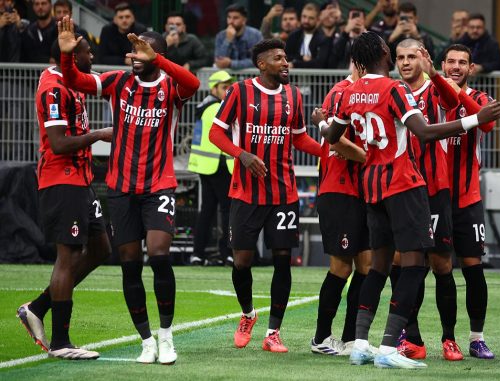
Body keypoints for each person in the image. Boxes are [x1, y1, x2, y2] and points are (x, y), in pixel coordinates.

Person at [321, 31, 500, 369]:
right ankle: (391, 345)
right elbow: (423, 131)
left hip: (371, 186)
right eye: (391, 51)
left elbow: (332, 135)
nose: (398, 57)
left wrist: (323, 123)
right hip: (403, 185)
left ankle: (361, 343)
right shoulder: (395, 89)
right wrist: (475, 119)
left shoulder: (350, 92)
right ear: (381, 53)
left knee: (378, 266)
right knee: (415, 264)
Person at [58, 16, 200, 364]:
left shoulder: (170, 88)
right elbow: (75, 79)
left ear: (157, 56)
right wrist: (66, 57)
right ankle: (146, 340)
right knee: (129, 262)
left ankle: (167, 337)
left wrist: (158, 58)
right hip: (121, 187)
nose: (134, 58)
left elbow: (193, 83)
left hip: (158, 184)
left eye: (141, 53)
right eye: (133, 52)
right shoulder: (118, 82)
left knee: (160, 254)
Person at [209, 38, 323, 353]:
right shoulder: (238, 92)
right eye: (279, 58)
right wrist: (241, 154)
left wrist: (331, 151)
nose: (286, 62)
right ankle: (247, 315)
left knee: (283, 260)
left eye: (286, 57)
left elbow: (299, 138)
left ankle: (273, 332)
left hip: (283, 193)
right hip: (245, 192)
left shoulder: (294, 95)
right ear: (262, 64)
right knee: (242, 261)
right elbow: (215, 132)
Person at [17, 34, 112, 361]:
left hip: (80, 178)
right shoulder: (53, 88)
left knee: (101, 247)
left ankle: (37, 308)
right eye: (87, 51)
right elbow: (57, 143)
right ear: (68, 55)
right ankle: (61, 342)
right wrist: (100, 135)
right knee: (68, 255)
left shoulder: (68, 80)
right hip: (61, 178)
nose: (93, 55)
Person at [391, 38, 464, 362]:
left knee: (441, 264)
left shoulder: (437, 87)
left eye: (412, 57)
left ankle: (449, 338)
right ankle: (413, 336)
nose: (406, 63)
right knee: (404, 260)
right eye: (401, 57)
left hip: (435, 188)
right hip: (402, 189)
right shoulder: (391, 91)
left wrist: (436, 74)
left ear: (424, 59)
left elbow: (454, 102)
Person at [439, 43, 497, 360]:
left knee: (473, 269)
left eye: (462, 63)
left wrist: (457, 92)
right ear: (442, 65)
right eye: (451, 62)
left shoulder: (480, 99)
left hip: (467, 198)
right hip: (433, 199)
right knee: (436, 267)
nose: (456, 67)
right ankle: (446, 339)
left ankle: (477, 338)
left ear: (471, 69)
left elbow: (487, 123)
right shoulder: (429, 98)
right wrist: (444, 89)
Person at [308, 66, 371, 356]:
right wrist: (369, 156)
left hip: (363, 191)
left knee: (367, 266)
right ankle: (321, 337)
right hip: (340, 190)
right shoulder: (342, 93)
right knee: (342, 265)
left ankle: (350, 338)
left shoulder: (365, 92)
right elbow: (337, 142)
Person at [187, 70, 235, 266]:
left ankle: (198, 253)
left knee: (206, 211)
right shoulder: (217, 108)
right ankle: (227, 254)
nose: (228, 91)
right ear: (214, 88)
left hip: (207, 166)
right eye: (225, 87)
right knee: (227, 210)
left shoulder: (204, 105)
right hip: (220, 164)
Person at [214, 4, 262, 69]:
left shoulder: (255, 35)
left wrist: (231, 63)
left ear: (244, 20)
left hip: (249, 76)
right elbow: (219, 61)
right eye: (229, 17)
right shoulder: (221, 36)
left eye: (235, 18)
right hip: (227, 77)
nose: (231, 21)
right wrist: (228, 41)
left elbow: (258, 60)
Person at [284, 3, 330, 68]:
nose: (306, 21)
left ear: (317, 20)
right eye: (304, 16)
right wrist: (301, 57)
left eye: (311, 18)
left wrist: (295, 64)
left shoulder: (323, 39)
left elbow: (319, 63)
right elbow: (286, 56)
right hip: (293, 77)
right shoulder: (293, 36)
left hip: (314, 77)